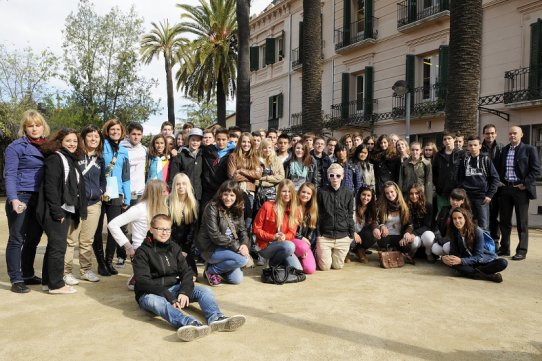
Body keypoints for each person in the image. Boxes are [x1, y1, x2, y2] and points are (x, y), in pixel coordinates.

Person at [132, 214, 246, 342]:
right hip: (151, 294)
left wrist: (184, 291)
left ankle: (216, 319)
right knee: (155, 302)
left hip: (174, 288)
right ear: (151, 229)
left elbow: (186, 272)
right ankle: (190, 324)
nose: (164, 233)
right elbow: (143, 281)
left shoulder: (174, 248)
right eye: (160, 229)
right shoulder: (142, 252)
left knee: (205, 291)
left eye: (167, 229)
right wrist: (168, 296)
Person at [4, 110, 49, 293]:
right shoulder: (15, 147)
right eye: (30, 125)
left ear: (43, 126)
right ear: (24, 128)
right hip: (21, 196)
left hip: (40, 198)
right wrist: (13, 198)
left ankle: (28, 274)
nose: (34, 129)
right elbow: (10, 174)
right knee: (17, 238)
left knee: (34, 238)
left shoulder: (48, 146)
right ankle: (16, 278)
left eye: (38, 125)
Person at [39, 129, 87, 294]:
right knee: (58, 247)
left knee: (54, 246)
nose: (72, 144)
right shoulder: (55, 158)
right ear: (60, 142)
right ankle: (56, 285)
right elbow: (50, 187)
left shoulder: (70, 159)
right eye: (68, 141)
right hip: (56, 209)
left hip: (66, 208)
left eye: (75, 141)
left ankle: (47, 282)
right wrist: (57, 212)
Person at [64, 125, 106, 285]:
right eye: (90, 136)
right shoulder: (75, 156)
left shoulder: (100, 159)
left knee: (87, 240)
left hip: (94, 204)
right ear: (84, 138)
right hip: (75, 204)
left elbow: (103, 179)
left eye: (97, 136)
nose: (94, 139)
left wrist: (101, 190)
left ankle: (86, 270)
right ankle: (66, 272)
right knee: (70, 240)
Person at [108, 180, 169, 289]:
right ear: (156, 193)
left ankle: (144, 274)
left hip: (159, 249)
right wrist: (128, 246)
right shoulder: (139, 209)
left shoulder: (163, 207)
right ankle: (138, 276)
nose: (166, 194)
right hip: (142, 251)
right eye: (164, 191)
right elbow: (112, 225)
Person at [93, 119, 131, 276]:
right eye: (112, 129)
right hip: (99, 192)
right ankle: (101, 263)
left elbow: (126, 176)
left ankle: (109, 261)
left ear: (122, 132)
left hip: (117, 193)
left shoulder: (124, 151)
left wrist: (127, 198)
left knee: (114, 228)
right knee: (96, 229)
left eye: (118, 129)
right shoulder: (101, 147)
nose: (115, 132)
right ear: (107, 131)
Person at [497, 126, 541, 260]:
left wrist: (525, 183)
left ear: (521, 135)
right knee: (504, 221)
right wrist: (499, 181)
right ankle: (504, 248)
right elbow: (499, 168)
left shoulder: (529, 149)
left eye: (515, 133)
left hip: (520, 190)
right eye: (510, 133)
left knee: (522, 222)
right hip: (505, 189)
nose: (512, 136)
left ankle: (522, 250)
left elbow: (536, 170)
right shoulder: (504, 150)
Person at [197, 180, 251, 286]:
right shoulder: (212, 207)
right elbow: (215, 235)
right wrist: (237, 247)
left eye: (232, 195)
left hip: (229, 247)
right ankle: (212, 271)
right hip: (211, 248)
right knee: (242, 260)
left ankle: (216, 267)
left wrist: (244, 245)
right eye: (225, 194)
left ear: (237, 196)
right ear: (221, 194)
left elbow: (243, 230)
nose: (228, 198)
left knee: (236, 279)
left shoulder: (238, 208)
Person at [442, 208, 507, 283]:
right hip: (466, 261)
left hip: (481, 261)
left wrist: (461, 261)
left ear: (465, 218)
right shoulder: (454, 232)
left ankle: (472, 273)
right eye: (454, 219)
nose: (457, 221)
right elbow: (455, 253)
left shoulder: (477, 232)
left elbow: (478, 257)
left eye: (460, 218)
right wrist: (445, 259)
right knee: (454, 264)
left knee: (503, 262)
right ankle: (487, 276)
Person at [253, 179, 303, 270]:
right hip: (265, 246)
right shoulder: (267, 206)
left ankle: (278, 262)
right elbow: (256, 229)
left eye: (289, 191)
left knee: (297, 269)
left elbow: (292, 234)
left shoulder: (296, 210)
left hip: (283, 244)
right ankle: (272, 263)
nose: (287, 194)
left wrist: (284, 236)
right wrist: (273, 237)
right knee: (290, 246)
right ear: (279, 192)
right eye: (284, 191)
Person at [316, 163, 355, 271]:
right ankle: (320, 253)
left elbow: (350, 214)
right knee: (325, 267)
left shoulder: (348, 193)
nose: (335, 178)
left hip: (342, 236)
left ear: (342, 177)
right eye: (332, 175)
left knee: (338, 266)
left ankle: (333, 254)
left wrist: (351, 235)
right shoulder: (321, 192)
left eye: (338, 175)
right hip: (325, 236)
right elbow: (318, 214)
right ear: (328, 177)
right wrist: (319, 234)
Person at [457, 135, 499, 231]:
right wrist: (462, 194)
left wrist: (490, 195)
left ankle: (484, 246)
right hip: (467, 197)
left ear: (480, 146)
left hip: (482, 198)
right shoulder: (465, 160)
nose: (473, 147)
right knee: (467, 223)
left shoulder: (486, 159)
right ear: (467, 147)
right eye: (470, 145)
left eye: (475, 145)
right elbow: (460, 178)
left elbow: (495, 178)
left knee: (483, 226)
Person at [373, 181, 415, 263]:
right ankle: (386, 249)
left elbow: (410, 225)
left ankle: (393, 250)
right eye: (387, 193)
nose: (390, 195)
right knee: (382, 240)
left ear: (396, 191)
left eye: (392, 192)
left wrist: (407, 233)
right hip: (386, 236)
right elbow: (375, 220)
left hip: (399, 236)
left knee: (407, 247)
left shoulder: (405, 206)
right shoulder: (381, 205)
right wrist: (381, 226)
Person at [227, 132, 262, 229]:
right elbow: (232, 177)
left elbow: (258, 175)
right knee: (237, 219)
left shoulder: (255, 158)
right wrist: (251, 175)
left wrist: (241, 171)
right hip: (237, 191)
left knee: (248, 220)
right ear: (239, 143)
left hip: (250, 192)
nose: (246, 144)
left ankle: (245, 242)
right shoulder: (233, 156)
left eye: (249, 142)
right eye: (244, 142)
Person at [169, 173, 199, 276]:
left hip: (186, 245)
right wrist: (176, 250)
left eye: (184, 184)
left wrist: (186, 250)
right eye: (178, 184)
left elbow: (192, 231)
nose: (181, 187)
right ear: (174, 186)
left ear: (188, 185)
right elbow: (168, 230)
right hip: (171, 245)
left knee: (192, 275)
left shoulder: (194, 204)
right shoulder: (168, 203)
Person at [200, 127, 235, 215]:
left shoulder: (233, 153)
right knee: (204, 214)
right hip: (208, 190)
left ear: (228, 139)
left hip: (223, 190)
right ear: (215, 139)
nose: (221, 142)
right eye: (218, 139)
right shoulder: (208, 150)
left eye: (224, 139)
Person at [481, 124, 504, 247]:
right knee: (484, 218)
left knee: (496, 217)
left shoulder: (501, 148)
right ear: (483, 134)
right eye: (487, 133)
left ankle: (495, 242)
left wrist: (500, 180)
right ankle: (485, 242)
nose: (490, 135)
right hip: (484, 188)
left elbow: (505, 167)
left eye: (492, 133)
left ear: (496, 134)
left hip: (498, 188)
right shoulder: (479, 148)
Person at [432, 188, 472, 257]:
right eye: (453, 199)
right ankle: (447, 257)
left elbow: (460, 232)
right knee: (435, 249)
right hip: (442, 239)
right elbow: (436, 225)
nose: (454, 202)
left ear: (462, 201)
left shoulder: (466, 213)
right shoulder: (444, 209)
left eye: (457, 200)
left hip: (457, 242)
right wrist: (438, 237)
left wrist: (443, 240)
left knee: (446, 247)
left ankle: (457, 258)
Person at [168, 128, 203, 203]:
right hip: (183, 193)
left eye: (198, 141)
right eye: (193, 140)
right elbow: (173, 176)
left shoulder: (202, 155)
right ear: (188, 140)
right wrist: (172, 191)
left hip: (198, 194)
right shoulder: (180, 155)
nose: (195, 143)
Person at [253, 138, 285, 222]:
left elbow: (281, 176)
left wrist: (264, 178)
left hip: (273, 192)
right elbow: (255, 178)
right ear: (261, 148)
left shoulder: (277, 160)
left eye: (270, 147)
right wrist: (272, 178)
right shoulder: (256, 160)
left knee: (271, 216)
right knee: (259, 216)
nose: (267, 150)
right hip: (259, 192)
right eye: (265, 147)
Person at [432, 131, 463, 212]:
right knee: (442, 214)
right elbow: (434, 172)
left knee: (457, 213)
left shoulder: (461, 154)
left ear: (454, 139)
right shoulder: (438, 155)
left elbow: (463, 172)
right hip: (442, 191)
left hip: (456, 192)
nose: (447, 141)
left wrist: (460, 186)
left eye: (449, 138)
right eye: (445, 139)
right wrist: (438, 184)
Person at [406, 183, 435, 262]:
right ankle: (413, 252)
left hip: (425, 233)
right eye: (411, 194)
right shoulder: (406, 206)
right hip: (414, 234)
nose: (414, 196)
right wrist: (409, 233)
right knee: (413, 243)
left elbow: (427, 225)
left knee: (429, 236)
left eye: (416, 193)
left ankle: (428, 253)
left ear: (420, 194)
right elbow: (409, 223)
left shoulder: (428, 206)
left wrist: (413, 233)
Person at [293, 183, 318, 274]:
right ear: (299, 192)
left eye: (308, 193)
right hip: (292, 239)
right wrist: (301, 238)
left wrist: (307, 248)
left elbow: (311, 234)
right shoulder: (292, 206)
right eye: (303, 192)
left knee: (310, 269)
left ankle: (299, 256)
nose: (305, 195)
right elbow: (287, 229)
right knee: (302, 247)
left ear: (312, 196)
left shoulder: (312, 211)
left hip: (304, 245)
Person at [120, 122, 147, 205]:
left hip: (140, 193)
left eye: (139, 134)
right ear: (128, 134)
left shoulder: (145, 150)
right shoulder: (121, 149)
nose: (136, 137)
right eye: (134, 134)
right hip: (126, 192)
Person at [352, 186, 377, 263]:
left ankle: (360, 250)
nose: (366, 197)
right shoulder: (352, 204)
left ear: (372, 197)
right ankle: (347, 252)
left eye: (368, 195)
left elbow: (373, 222)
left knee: (374, 232)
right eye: (363, 194)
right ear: (359, 194)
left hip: (360, 235)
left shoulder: (371, 208)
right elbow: (345, 221)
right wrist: (353, 232)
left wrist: (376, 229)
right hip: (349, 232)